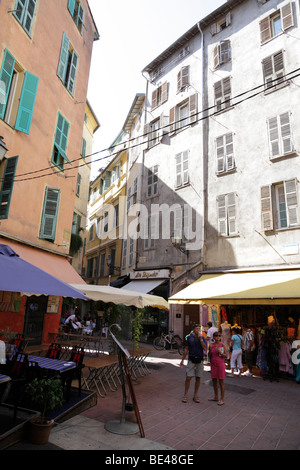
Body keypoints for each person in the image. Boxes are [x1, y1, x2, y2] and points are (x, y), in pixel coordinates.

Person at [180, 324, 207, 403]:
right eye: (196, 329)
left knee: (198, 378)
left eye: (199, 329)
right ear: (193, 330)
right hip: (191, 360)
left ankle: (195, 395)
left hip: (200, 360)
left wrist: (201, 339)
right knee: (188, 377)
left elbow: (205, 348)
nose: (198, 330)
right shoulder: (189, 338)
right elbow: (186, 349)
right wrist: (182, 360)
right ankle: (185, 395)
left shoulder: (202, 338)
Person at [208, 331, 227, 406]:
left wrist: (220, 352)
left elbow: (226, 356)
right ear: (213, 337)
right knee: (214, 380)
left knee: (221, 381)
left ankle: (222, 399)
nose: (218, 337)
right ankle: (216, 396)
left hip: (220, 364)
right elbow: (210, 355)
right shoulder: (211, 345)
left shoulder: (222, 345)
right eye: (216, 336)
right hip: (213, 364)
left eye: (219, 336)